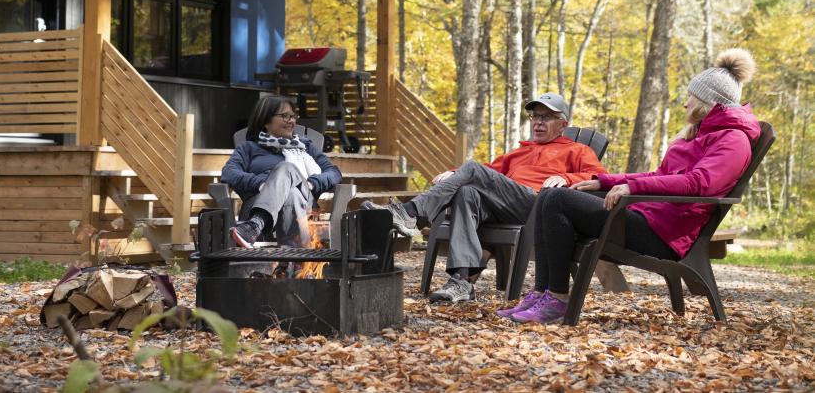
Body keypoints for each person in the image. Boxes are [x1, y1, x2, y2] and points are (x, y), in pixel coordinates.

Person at [506, 48, 760, 324]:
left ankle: (557, 298)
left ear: (707, 102)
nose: (686, 104)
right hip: (646, 217)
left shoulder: (733, 139)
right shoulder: (698, 135)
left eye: (691, 97)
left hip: (663, 233)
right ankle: (544, 292)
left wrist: (631, 188)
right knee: (550, 195)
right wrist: (603, 181)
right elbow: (658, 174)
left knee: (557, 200)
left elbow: (700, 183)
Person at [366, 92, 606, 304]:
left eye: (546, 117)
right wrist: (455, 175)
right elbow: (488, 171)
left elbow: (599, 177)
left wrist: (566, 178)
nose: (538, 122)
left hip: (541, 205)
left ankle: (411, 213)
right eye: (535, 116)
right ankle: (462, 281)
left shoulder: (577, 150)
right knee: (466, 192)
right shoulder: (519, 152)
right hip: (509, 206)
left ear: (562, 124)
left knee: (471, 169)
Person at [222, 95, 342, 248]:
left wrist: (311, 183)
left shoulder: (306, 146)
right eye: (285, 116)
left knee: (287, 168)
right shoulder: (249, 148)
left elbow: (334, 173)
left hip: (305, 205)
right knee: (291, 193)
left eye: (293, 116)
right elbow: (229, 173)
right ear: (265, 121)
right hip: (260, 201)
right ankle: (296, 268)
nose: (291, 121)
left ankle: (255, 224)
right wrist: (259, 184)